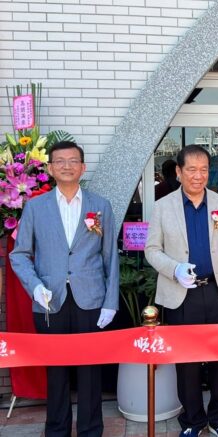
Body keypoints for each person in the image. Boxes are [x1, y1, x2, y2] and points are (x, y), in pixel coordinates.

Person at [10, 140, 119, 437]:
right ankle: (56, 431)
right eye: (60, 161)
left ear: (83, 167)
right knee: (55, 372)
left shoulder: (100, 205)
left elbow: (110, 256)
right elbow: (19, 255)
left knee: (90, 372)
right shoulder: (35, 207)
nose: (67, 166)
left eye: (73, 161)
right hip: (49, 301)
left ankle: (90, 430)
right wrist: (35, 288)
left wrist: (110, 302)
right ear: (50, 168)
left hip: (91, 299)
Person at [145, 144, 218, 437]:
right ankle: (192, 422)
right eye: (191, 169)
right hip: (181, 293)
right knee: (186, 362)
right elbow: (152, 249)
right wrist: (174, 268)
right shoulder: (163, 207)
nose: (198, 176)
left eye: (203, 170)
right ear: (178, 172)